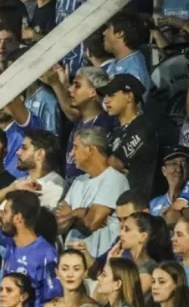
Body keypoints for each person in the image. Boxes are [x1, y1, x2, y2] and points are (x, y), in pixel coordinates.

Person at [57, 127, 130, 258]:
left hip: (99, 263)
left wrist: (73, 215)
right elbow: (58, 224)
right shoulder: (78, 181)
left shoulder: (114, 179)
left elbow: (91, 223)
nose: (72, 153)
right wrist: (79, 213)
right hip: (71, 264)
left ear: (90, 149)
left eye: (75, 147)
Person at [98, 74, 159, 195]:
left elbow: (113, 164)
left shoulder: (142, 127)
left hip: (136, 202)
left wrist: (108, 165)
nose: (105, 100)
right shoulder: (116, 131)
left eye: (111, 94)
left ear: (129, 96)